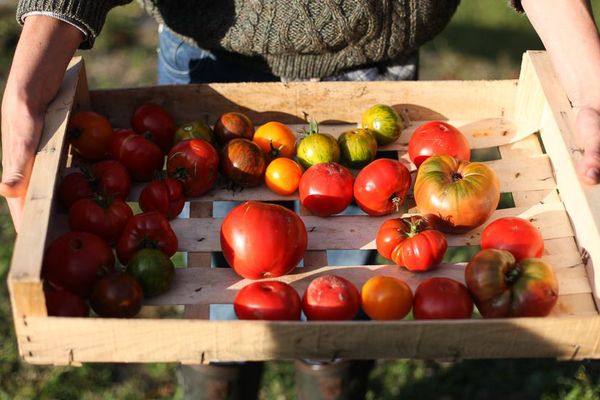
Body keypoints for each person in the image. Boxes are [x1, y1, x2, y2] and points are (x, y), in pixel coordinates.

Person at [2, 1, 600, 399]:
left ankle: (329, 367)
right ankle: (217, 371)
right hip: (204, 51)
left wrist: (588, 77)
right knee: (213, 296)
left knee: (348, 283)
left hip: (376, 58)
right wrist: (30, 79)